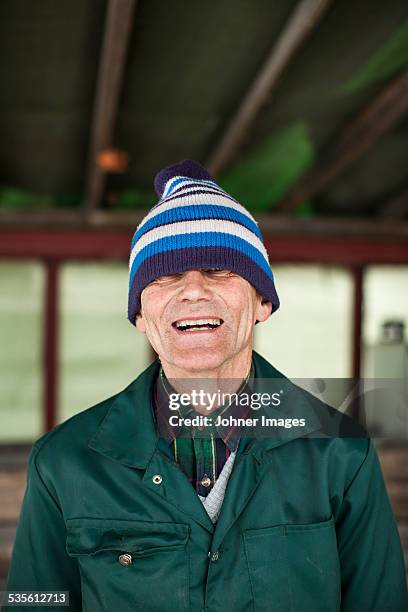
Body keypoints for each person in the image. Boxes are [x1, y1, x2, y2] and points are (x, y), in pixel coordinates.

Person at [4, 160, 407, 611]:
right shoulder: (64, 460)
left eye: (219, 270)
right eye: (166, 275)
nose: (193, 290)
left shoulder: (341, 454)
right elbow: (33, 600)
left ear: (262, 303)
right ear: (140, 315)